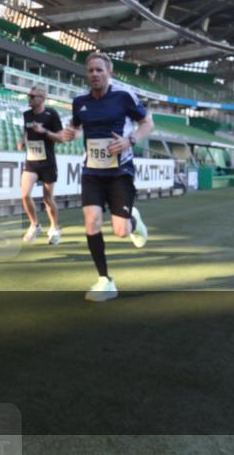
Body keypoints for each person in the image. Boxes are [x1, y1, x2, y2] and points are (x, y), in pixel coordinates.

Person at [62, 53, 153, 302]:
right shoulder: (79, 101)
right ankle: (105, 280)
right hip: (92, 172)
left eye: (99, 70)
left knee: (121, 231)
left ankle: (132, 220)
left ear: (109, 72)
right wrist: (70, 132)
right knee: (91, 222)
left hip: (119, 172)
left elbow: (147, 123)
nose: (94, 74)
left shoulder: (123, 97)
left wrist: (129, 140)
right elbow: (75, 125)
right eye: (90, 70)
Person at [17, 85, 66, 245]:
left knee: (47, 199)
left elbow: (61, 138)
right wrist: (22, 141)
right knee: (25, 194)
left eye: (32, 96)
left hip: (48, 162)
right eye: (29, 96)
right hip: (32, 161)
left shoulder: (51, 114)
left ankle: (54, 228)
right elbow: (26, 131)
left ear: (42, 99)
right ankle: (35, 224)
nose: (29, 99)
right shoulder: (27, 115)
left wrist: (44, 131)